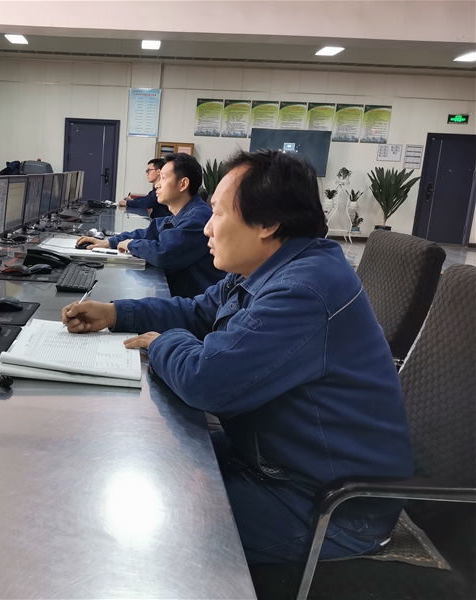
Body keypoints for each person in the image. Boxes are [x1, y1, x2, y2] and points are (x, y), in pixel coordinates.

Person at [62, 149, 413, 565]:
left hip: (326, 506)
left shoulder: (303, 290)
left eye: (217, 213)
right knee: (132, 458)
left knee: (135, 525)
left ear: (267, 224)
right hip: (270, 461)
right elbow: (197, 311)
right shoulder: (268, 267)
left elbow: (206, 381)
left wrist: (161, 343)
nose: (206, 227)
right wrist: (116, 313)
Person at [77, 153, 225, 298]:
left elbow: (163, 253)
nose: (157, 185)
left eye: (164, 178)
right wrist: (110, 242)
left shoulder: (197, 218)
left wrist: (131, 244)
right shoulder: (184, 213)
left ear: (183, 184)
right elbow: (150, 232)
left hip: (194, 303)